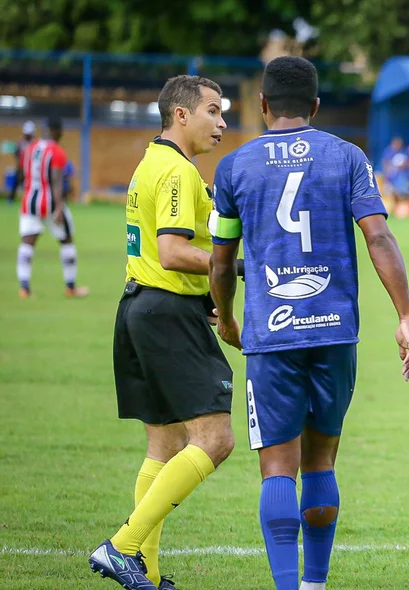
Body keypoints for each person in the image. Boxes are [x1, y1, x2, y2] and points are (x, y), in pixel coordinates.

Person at [208, 56, 409, 590]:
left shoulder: (233, 167)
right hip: (334, 332)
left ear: (261, 105)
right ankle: (315, 584)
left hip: (271, 332)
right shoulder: (347, 157)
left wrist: (228, 318)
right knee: (321, 462)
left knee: (278, 466)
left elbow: (219, 259)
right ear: (316, 106)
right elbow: (379, 237)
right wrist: (406, 317)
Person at [88, 75, 241, 590]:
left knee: (166, 445)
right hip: (166, 313)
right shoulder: (176, 170)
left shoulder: (150, 162)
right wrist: (233, 268)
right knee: (215, 440)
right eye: (213, 111)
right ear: (181, 115)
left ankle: (146, 575)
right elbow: (173, 251)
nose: (222, 123)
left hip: (141, 308)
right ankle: (122, 547)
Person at [16, 117, 88, 299]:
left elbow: (21, 173)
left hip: (29, 201)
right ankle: (70, 287)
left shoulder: (29, 148)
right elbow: (56, 182)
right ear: (58, 132)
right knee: (66, 239)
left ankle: (24, 289)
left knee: (27, 243)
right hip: (48, 202)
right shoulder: (57, 152)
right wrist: (57, 208)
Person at [8, 120, 35, 204]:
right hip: (21, 167)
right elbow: (16, 154)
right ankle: (11, 199)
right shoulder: (20, 142)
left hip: (31, 168)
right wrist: (19, 164)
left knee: (30, 184)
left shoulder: (34, 143)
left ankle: (29, 199)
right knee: (16, 182)